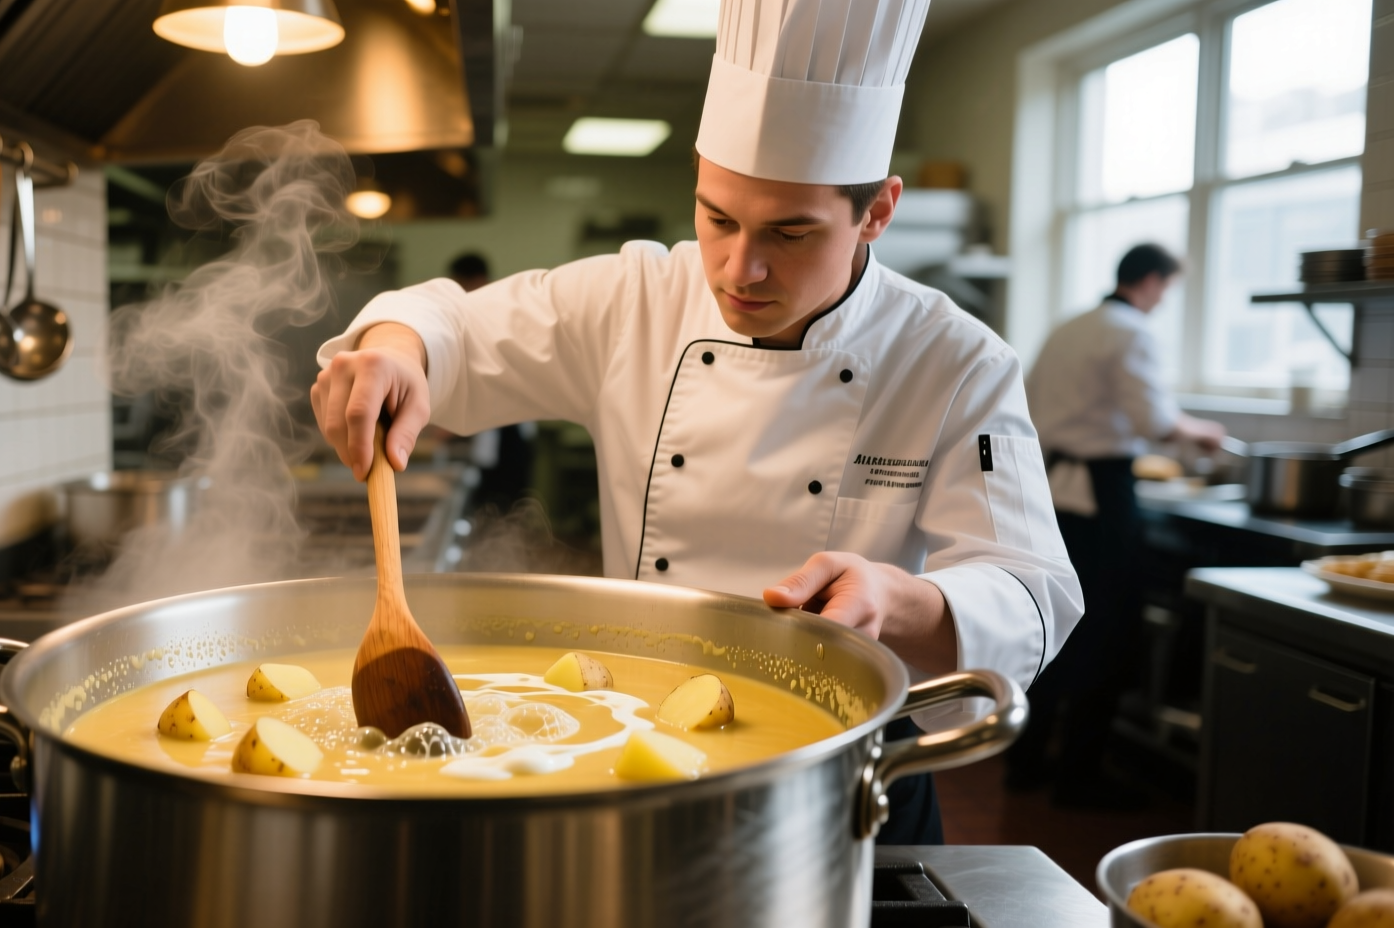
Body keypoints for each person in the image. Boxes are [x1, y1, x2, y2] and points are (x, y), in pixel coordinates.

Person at [313, 0, 1081, 844]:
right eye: (716, 217)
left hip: (839, 767)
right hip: (634, 740)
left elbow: (1032, 587)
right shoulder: (635, 296)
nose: (738, 268)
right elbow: (453, 324)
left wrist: (900, 598)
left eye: (790, 233)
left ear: (877, 211)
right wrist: (394, 346)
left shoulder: (954, 358)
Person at [1010, 243, 1224, 807]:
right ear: (1152, 282)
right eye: (1168, 290)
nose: (1163, 302)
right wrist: (1201, 433)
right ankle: (1078, 779)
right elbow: (1153, 419)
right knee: (1106, 634)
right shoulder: (1131, 330)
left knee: (1053, 629)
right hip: (1101, 495)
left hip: (1053, 489)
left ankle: (1025, 762)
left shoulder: (1071, 325)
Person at [449, 252, 535, 510]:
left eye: (462, 284)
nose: (462, 291)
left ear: (478, 280)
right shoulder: (476, 313)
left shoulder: (500, 313)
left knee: (503, 502)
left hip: (510, 429)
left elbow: (496, 377)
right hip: (499, 427)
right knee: (491, 503)